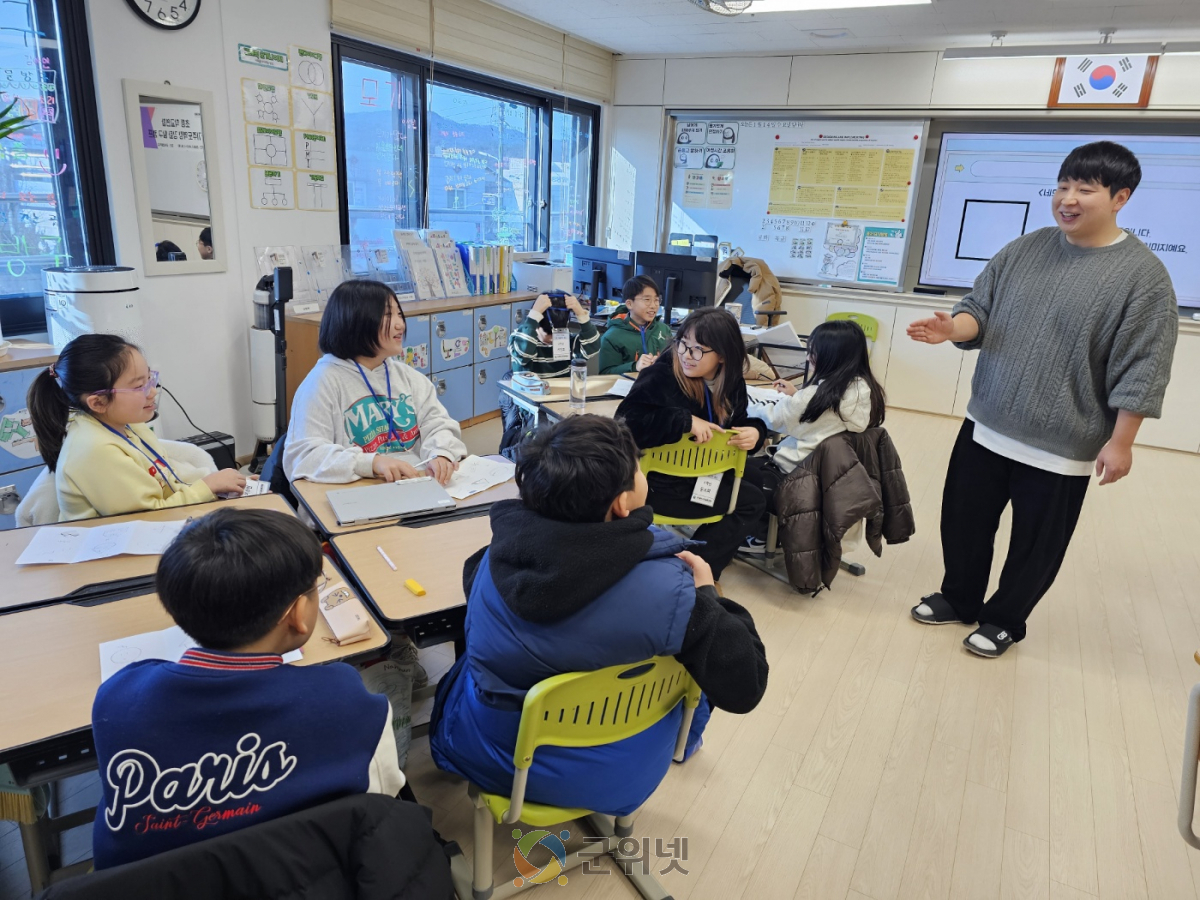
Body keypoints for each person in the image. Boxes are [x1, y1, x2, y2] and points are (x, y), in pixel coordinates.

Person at [907, 140, 1178, 658]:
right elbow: (979, 310)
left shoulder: (1144, 279)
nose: (1067, 199)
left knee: (1035, 544)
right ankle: (959, 597)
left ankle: (1005, 620)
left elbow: (1143, 367)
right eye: (1062, 186)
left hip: (1062, 443)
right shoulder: (1026, 248)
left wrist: (1122, 442)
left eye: (1085, 189)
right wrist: (952, 328)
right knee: (963, 522)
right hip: (987, 421)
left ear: (1120, 197)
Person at [429, 415, 767, 815]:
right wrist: (708, 595)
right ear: (622, 502)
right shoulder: (674, 592)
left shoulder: (491, 562)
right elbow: (747, 686)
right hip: (625, 772)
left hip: (502, 765)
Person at [90, 508, 406, 869]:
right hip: (308, 877)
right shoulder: (345, 699)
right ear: (298, 614)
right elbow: (382, 799)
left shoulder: (120, 698)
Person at [616, 306, 767, 581]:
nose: (686, 355)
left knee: (757, 477)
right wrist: (684, 421)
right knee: (752, 501)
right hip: (660, 485)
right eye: (683, 344)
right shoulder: (662, 375)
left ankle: (699, 555)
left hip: (702, 475)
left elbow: (741, 420)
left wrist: (755, 432)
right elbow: (625, 423)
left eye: (698, 349)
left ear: (723, 355)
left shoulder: (731, 382)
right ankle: (696, 570)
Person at [26, 334, 245, 521]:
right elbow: (146, 518)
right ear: (98, 402)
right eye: (140, 386)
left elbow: (167, 482)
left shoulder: (127, 424)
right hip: (118, 546)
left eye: (150, 379)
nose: (152, 391)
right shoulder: (95, 450)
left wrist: (221, 488)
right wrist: (207, 488)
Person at [284, 280, 468, 485]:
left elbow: (437, 424)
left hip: (414, 486)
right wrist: (371, 463)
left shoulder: (409, 377)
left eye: (399, 314)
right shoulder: (321, 383)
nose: (400, 324)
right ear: (356, 321)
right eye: (388, 315)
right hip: (356, 490)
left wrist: (440, 453)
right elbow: (304, 456)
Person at [742, 318, 885, 553]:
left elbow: (776, 418)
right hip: (828, 479)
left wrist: (739, 402)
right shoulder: (863, 389)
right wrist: (797, 395)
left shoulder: (816, 398)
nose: (808, 358)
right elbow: (819, 419)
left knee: (738, 474)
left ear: (831, 357)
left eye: (813, 353)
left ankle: (763, 536)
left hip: (795, 477)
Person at [508, 292, 600, 378]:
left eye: (559, 333)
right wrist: (534, 315)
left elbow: (593, 347)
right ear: (537, 325)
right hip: (531, 389)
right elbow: (523, 354)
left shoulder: (568, 341)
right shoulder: (519, 338)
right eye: (548, 334)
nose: (553, 339)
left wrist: (581, 313)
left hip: (561, 389)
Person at [598, 275, 673, 375]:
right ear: (629, 304)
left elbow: (675, 363)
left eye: (656, 300)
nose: (653, 306)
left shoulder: (664, 330)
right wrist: (635, 366)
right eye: (647, 300)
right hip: (629, 384)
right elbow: (605, 373)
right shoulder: (612, 337)